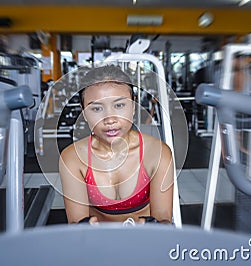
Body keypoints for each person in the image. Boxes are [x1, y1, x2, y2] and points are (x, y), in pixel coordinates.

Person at [59, 65, 174, 225]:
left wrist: (153, 226)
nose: (110, 119)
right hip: (96, 241)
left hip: (145, 238)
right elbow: (76, 221)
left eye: (119, 105)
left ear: (133, 106)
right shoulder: (72, 158)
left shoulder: (158, 153)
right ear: (84, 112)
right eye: (97, 108)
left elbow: (163, 218)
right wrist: (85, 227)